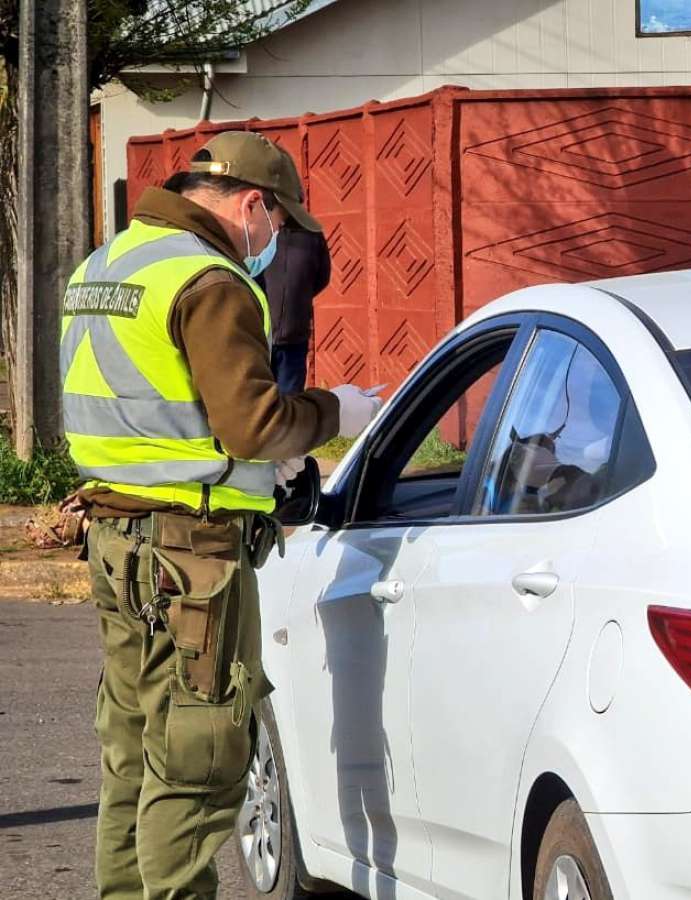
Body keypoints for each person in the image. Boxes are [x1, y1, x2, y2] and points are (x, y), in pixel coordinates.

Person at [59, 130, 381, 899]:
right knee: (199, 760)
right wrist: (338, 411)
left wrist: (254, 466)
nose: (274, 241)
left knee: (134, 755)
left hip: (116, 540)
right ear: (251, 205)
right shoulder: (211, 279)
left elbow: (155, 416)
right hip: (191, 555)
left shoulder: (104, 267)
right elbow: (254, 424)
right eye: (277, 224)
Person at [255, 224, 331, 394]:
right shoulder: (259, 231)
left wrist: (300, 296)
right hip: (261, 337)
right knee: (259, 404)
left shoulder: (312, 235)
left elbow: (322, 277)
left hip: (293, 339)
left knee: (289, 403)